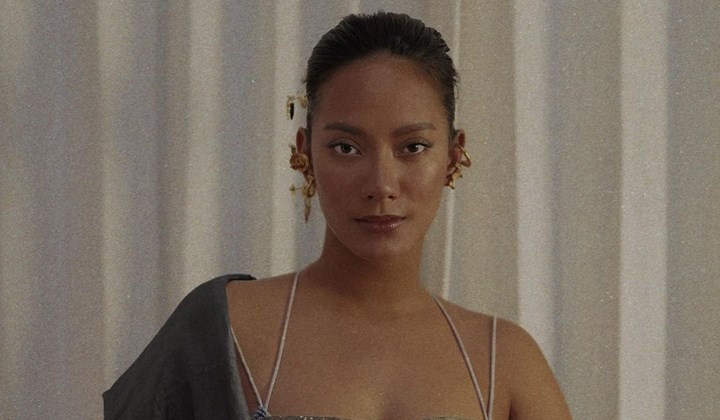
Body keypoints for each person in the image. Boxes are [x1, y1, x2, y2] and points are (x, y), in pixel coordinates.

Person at [103, 11, 571, 420]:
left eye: (413, 147)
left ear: (452, 156)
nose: (381, 184)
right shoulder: (224, 328)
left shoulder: (504, 362)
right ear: (305, 153)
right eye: (346, 148)